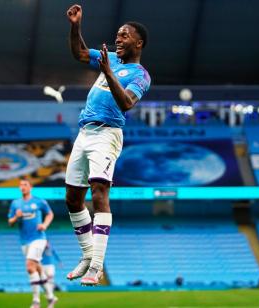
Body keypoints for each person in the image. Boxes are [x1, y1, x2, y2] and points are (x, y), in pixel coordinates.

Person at [65, 3, 151, 286]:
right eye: (117, 35)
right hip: (84, 132)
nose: (118, 39)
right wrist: (76, 26)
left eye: (124, 36)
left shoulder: (140, 75)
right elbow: (78, 53)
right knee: (72, 198)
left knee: (99, 192)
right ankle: (87, 256)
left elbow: (126, 103)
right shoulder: (109, 58)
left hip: (107, 133)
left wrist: (108, 71)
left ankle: (97, 267)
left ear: (138, 43)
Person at [8, 178, 55, 308]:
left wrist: (45, 225)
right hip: (24, 241)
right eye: (20, 185)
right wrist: (16, 217)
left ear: (30, 187)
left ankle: (36, 301)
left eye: (25, 185)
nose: (22, 187)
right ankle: (51, 297)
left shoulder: (39, 201)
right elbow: (10, 223)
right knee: (38, 269)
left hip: (39, 238)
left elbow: (50, 214)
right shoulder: (15, 204)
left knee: (29, 266)